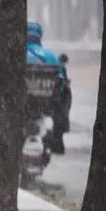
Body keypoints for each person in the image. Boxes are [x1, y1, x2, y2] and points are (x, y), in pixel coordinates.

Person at [26, 21, 71, 154]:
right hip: (48, 105)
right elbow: (62, 82)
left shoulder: (16, 55)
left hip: (23, 104)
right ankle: (59, 135)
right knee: (66, 92)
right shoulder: (50, 56)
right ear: (39, 36)